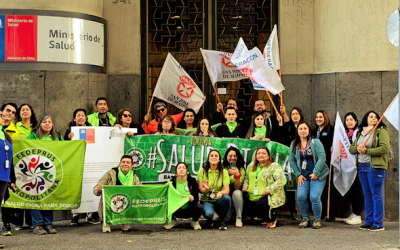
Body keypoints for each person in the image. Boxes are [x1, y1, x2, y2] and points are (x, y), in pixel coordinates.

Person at [349, 111, 389, 231]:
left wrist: (367, 151)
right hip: (362, 166)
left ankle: (378, 223)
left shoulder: (381, 131)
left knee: (376, 194)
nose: (373, 118)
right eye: (371, 116)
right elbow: (351, 149)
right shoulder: (361, 133)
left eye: (376, 117)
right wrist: (357, 148)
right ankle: (369, 221)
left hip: (375, 167)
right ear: (366, 118)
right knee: (367, 195)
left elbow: (384, 148)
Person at [27, 116, 64, 235]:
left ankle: (48, 223)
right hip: (34, 171)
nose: (47, 124)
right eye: (44, 122)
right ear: (40, 124)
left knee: (49, 197)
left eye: (49, 122)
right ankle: (37, 224)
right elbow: (25, 145)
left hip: (51, 172)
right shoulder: (33, 136)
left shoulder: (57, 137)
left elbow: (66, 150)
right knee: (36, 198)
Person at [290, 122, 329, 229]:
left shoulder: (315, 142)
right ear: (297, 131)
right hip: (303, 175)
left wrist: (316, 173)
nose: (303, 131)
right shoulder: (294, 144)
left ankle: (317, 219)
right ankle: (305, 219)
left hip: (318, 174)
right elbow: (292, 161)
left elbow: (322, 158)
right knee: (301, 196)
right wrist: (298, 174)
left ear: (308, 130)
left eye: (305, 128)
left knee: (314, 197)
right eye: (300, 128)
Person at [93, 155, 141, 233]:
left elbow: (138, 190)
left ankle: (125, 222)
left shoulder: (134, 176)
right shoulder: (111, 173)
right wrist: (98, 189)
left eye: (128, 163)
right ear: (119, 164)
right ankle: (107, 223)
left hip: (125, 202)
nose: (125, 164)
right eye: (123, 162)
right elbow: (96, 188)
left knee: (130, 201)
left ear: (131, 166)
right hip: (111, 202)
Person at [243, 147, 287, 229]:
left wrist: (269, 189)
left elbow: (282, 180)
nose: (260, 155)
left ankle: (271, 219)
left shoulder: (273, 166)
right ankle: (263, 217)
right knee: (245, 206)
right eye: (258, 153)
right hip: (252, 195)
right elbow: (246, 178)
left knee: (262, 204)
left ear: (269, 156)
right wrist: (245, 186)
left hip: (269, 195)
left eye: (263, 153)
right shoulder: (251, 165)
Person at [11, 104, 37, 230]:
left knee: (32, 190)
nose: (25, 111)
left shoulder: (36, 127)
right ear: (19, 114)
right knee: (20, 189)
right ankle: (18, 222)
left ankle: (31, 221)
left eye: (27, 109)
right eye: (22, 110)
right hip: (19, 162)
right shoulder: (15, 127)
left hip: (34, 163)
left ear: (31, 112)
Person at [278, 106, 305, 220]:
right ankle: (292, 210)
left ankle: (304, 211)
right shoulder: (288, 125)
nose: (295, 116)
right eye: (293, 114)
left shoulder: (304, 126)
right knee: (290, 183)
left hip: (302, 158)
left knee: (302, 183)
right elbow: (281, 136)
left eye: (296, 114)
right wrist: (281, 123)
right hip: (288, 158)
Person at [311, 110, 336, 221]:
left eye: (320, 117)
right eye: (316, 117)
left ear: (325, 118)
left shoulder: (330, 129)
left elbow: (336, 143)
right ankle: (319, 213)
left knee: (329, 189)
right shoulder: (313, 131)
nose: (318, 119)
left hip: (328, 162)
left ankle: (330, 213)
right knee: (318, 189)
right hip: (316, 163)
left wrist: (333, 148)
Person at [197, 150, 231, 230]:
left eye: (216, 156)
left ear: (219, 160)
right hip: (207, 200)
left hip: (219, 199)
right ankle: (209, 219)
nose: (214, 157)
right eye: (211, 155)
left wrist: (221, 192)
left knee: (226, 198)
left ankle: (223, 220)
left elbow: (227, 190)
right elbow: (200, 190)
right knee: (208, 214)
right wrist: (206, 189)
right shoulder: (202, 171)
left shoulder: (224, 172)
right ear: (208, 159)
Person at [164, 162, 203, 230]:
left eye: (183, 168)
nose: (181, 169)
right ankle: (172, 221)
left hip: (189, 208)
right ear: (176, 172)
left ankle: (194, 221)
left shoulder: (192, 181)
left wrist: (192, 199)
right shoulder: (172, 183)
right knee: (165, 204)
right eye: (179, 168)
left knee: (199, 207)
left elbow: (196, 199)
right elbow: (168, 197)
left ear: (187, 171)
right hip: (176, 209)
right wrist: (165, 188)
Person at [342, 112, 363, 225]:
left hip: (357, 166)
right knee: (350, 190)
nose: (349, 122)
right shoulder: (345, 134)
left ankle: (358, 215)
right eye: (347, 120)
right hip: (347, 167)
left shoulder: (358, 133)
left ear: (355, 121)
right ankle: (353, 213)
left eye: (351, 119)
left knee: (357, 191)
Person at [222, 147, 245, 227]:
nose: (232, 158)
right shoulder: (222, 167)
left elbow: (237, 187)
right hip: (224, 192)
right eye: (230, 156)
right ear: (226, 157)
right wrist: (227, 175)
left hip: (235, 193)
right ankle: (226, 212)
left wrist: (236, 175)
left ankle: (239, 217)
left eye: (235, 156)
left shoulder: (241, 169)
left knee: (237, 192)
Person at [0, 110, 13, 248]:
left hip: (3, 176)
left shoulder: (5, 136)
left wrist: (11, 178)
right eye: (1, 115)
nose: (4, 117)